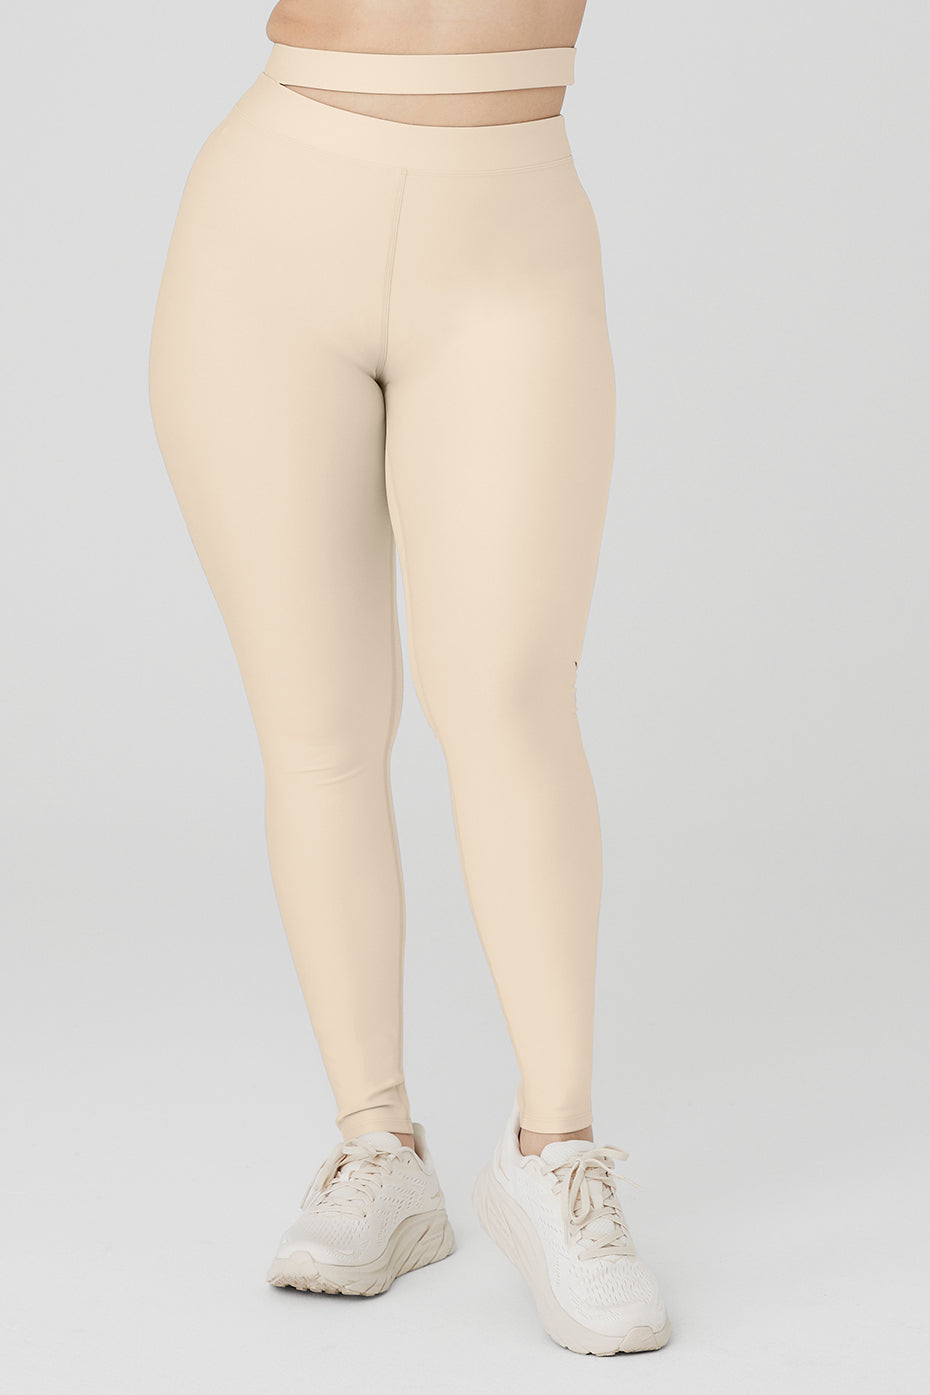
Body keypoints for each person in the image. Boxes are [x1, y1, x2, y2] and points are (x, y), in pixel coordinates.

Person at [148, 0, 670, 1356]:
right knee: (316, 728)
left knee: (509, 697)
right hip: (268, 226)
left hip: (508, 241)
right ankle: (376, 1145)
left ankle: (555, 1156)